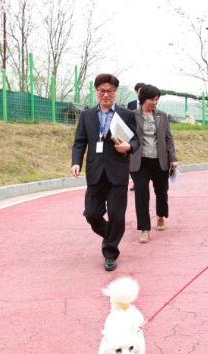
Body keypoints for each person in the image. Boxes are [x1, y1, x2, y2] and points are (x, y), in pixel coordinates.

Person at [71, 73, 139, 271]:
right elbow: (80, 142)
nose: (106, 95)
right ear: (96, 92)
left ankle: (110, 252)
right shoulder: (87, 115)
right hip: (95, 171)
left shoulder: (127, 115)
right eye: (102, 91)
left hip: (117, 170)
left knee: (117, 215)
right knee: (91, 213)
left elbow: (137, 140)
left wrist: (129, 147)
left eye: (110, 91)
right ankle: (111, 235)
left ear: (116, 92)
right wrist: (77, 162)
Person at [129, 84, 178, 244]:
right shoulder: (132, 115)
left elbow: (168, 138)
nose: (154, 102)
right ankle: (144, 229)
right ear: (143, 98)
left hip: (159, 160)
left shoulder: (162, 116)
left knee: (162, 192)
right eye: (152, 99)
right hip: (140, 161)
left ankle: (161, 216)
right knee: (141, 194)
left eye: (157, 99)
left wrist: (173, 158)